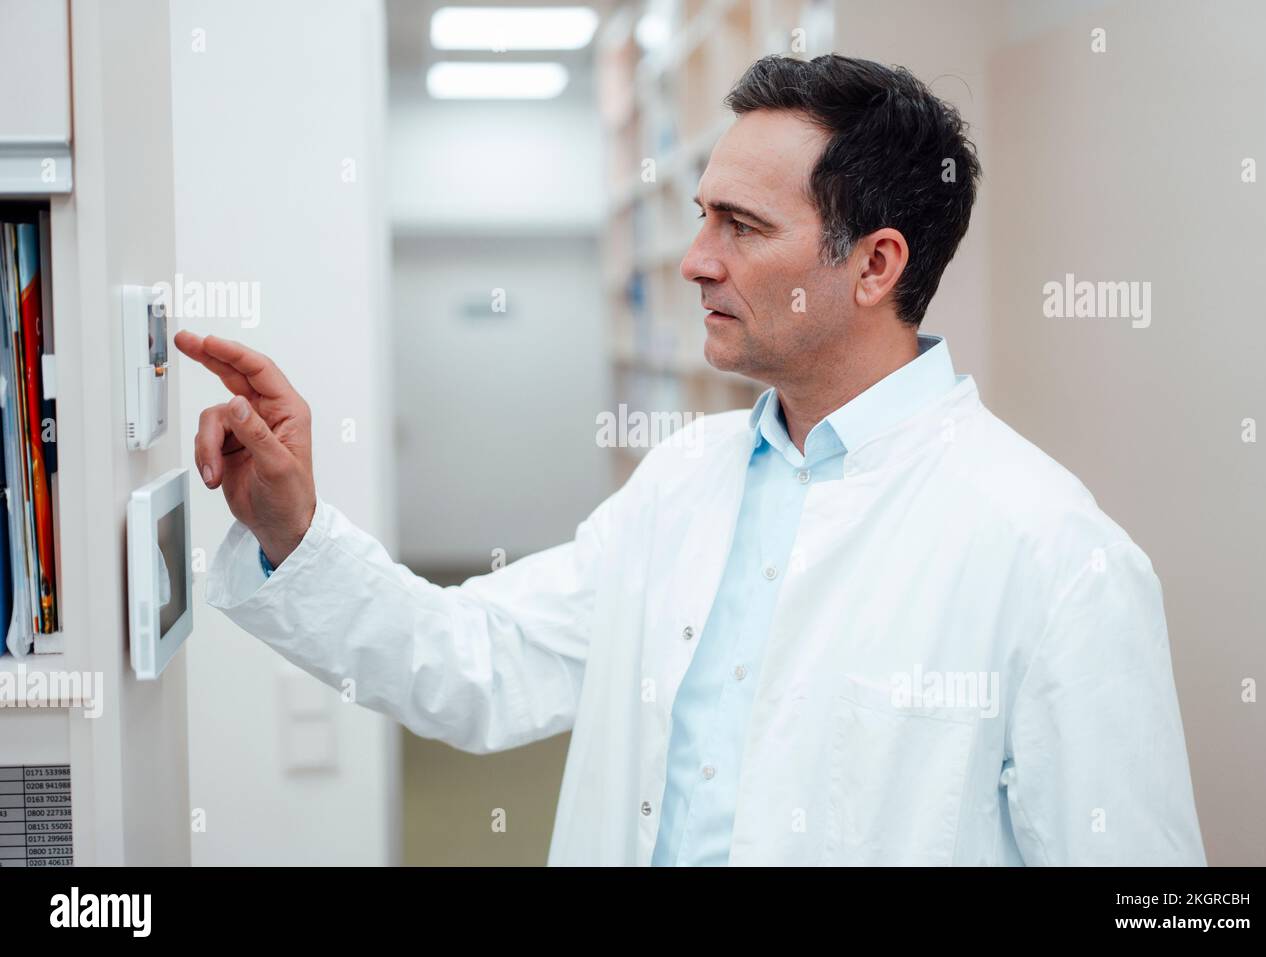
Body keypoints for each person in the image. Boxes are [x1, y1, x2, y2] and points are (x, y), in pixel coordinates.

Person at [175, 54, 1205, 866]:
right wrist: (292, 530)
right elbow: (479, 664)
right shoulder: (683, 478)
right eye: (700, 213)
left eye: (741, 226)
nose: (694, 258)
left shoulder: (1050, 552)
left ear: (875, 265)